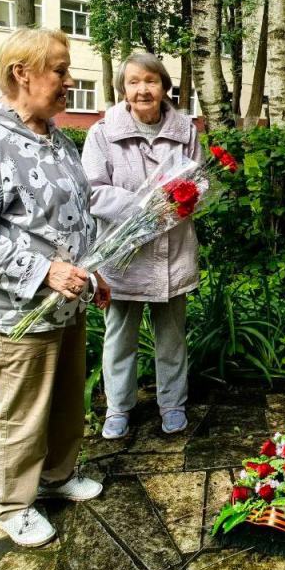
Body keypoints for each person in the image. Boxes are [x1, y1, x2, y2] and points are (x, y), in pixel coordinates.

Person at [0, 28, 109, 547]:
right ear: (22, 73)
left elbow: (76, 216)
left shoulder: (56, 137)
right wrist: (42, 272)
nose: (69, 80)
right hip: (14, 308)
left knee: (65, 399)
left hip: (65, 302)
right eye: (60, 70)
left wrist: (92, 273)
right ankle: (12, 505)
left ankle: (57, 476)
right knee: (21, 410)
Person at [81, 52, 202, 438]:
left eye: (150, 80)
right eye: (133, 82)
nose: (142, 90)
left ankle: (173, 403)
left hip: (172, 252)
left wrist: (186, 199)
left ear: (164, 86)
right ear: (123, 89)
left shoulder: (186, 130)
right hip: (123, 255)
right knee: (120, 338)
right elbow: (91, 190)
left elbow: (199, 181)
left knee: (172, 337)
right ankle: (118, 407)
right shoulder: (103, 133)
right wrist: (141, 207)